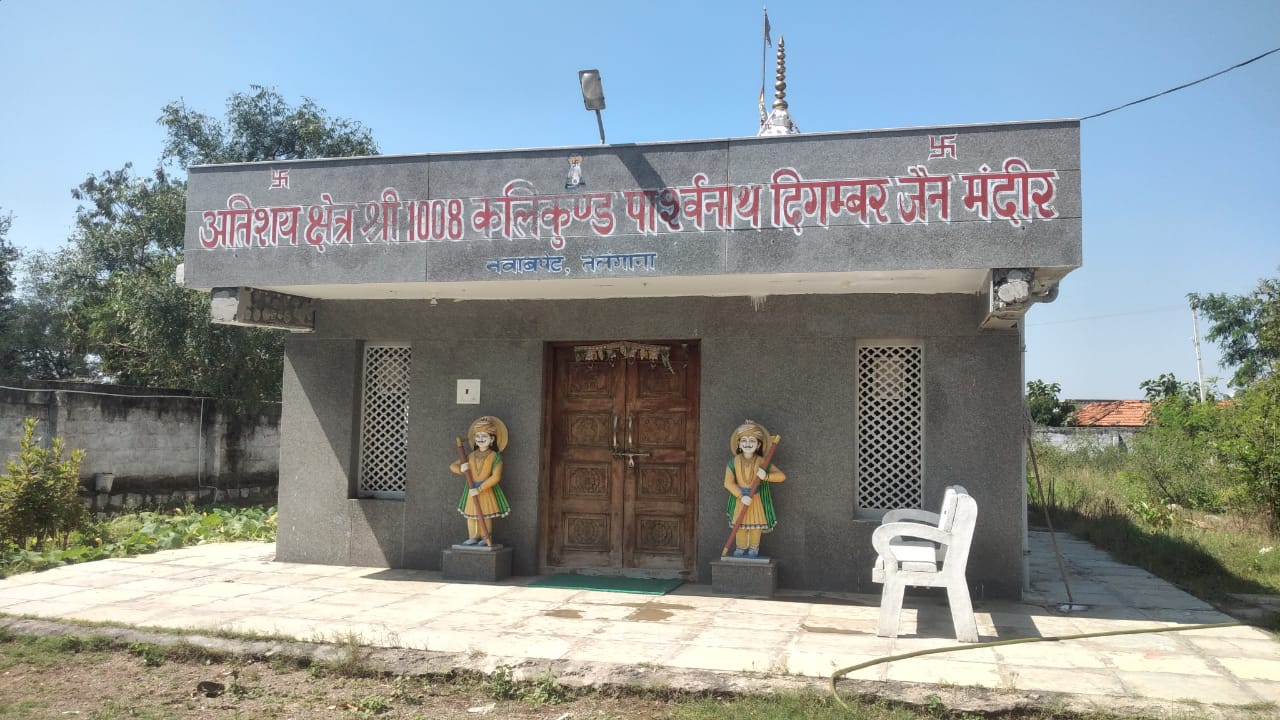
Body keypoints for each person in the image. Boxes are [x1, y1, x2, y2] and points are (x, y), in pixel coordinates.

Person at [723, 420, 784, 557]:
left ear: (759, 444)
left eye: (752, 440)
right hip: (741, 500)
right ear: (738, 443)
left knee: (756, 526)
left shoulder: (762, 462)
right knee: (740, 526)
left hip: (756, 500)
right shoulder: (733, 462)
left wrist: (766, 476)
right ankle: (740, 547)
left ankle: (754, 548)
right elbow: (728, 483)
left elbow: (781, 476)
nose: (748, 443)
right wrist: (740, 495)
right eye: (744, 440)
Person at [448, 416, 510, 545]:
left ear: (492, 439)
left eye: (484, 436)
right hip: (471, 489)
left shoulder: (495, 457)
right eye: (477, 436)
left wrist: (480, 488)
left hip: (485, 490)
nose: (480, 439)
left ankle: (485, 537)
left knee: (485, 514)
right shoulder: (471, 455)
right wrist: (461, 468)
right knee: (471, 515)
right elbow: (452, 466)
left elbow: (496, 477)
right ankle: (473, 536)